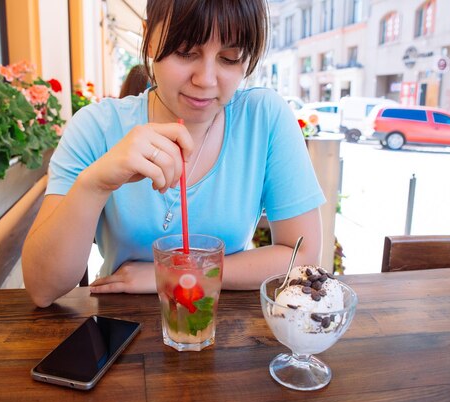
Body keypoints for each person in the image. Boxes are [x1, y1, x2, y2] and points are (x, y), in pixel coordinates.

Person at [22, 0, 325, 308]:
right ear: (149, 39)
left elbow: (302, 254)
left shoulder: (264, 118)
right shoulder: (96, 127)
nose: (206, 79)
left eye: (229, 58)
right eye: (185, 52)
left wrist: (168, 274)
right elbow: (42, 288)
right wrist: (95, 184)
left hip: (223, 324)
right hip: (120, 326)